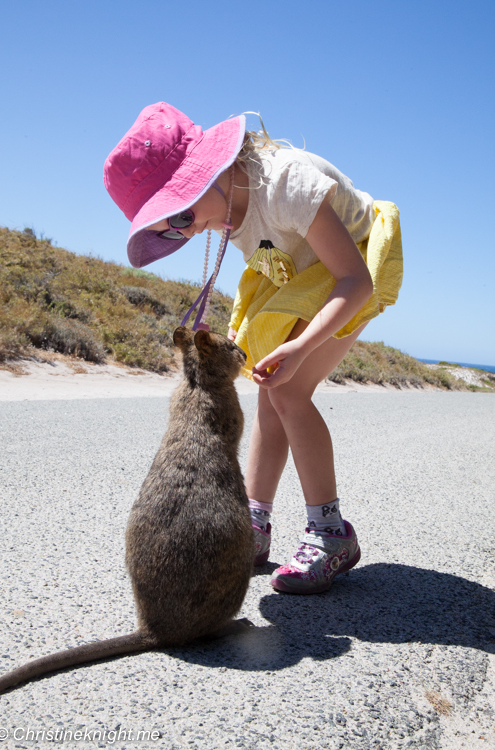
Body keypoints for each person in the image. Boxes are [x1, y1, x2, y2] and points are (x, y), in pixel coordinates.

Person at [104, 102, 403, 594]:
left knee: (290, 393)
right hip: (298, 273)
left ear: (213, 171)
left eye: (179, 213)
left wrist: (303, 346)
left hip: (353, 270)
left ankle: (331, 534)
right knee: (269, 390)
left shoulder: (284, 184)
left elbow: (355, 280)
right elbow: (272, 257)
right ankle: (255, 524)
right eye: (167, 228)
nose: (185, 230)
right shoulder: (221, 211)